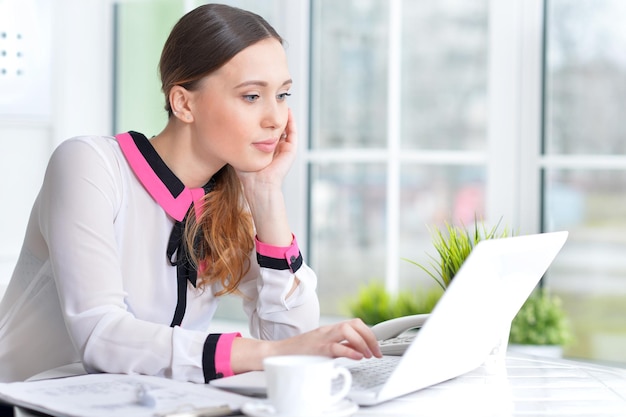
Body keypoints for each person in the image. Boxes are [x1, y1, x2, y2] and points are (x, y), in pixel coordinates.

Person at [0, 3, 381, 383]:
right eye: (252, 96)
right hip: (27, 401)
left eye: (282, 95)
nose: (275, 118)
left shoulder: (224, 202)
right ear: (184, 103)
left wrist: (267, 195)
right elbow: (102, 335)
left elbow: (292, 345)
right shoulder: (89, 165)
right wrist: (270, 353)